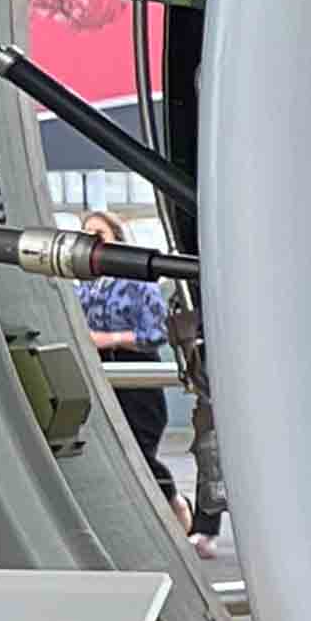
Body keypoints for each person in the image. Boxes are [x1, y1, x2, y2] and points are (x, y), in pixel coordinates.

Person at [74, 207, 187, 525]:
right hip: (100, 371)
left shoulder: (137, 281)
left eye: (99, 234)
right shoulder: (84, 284)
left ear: (116, 240)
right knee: (111, 447)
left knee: (139, 448)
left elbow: (156, 333)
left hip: (135, 369)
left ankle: (174, 502)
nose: (91, 240)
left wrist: (107, 339)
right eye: (86, 234)